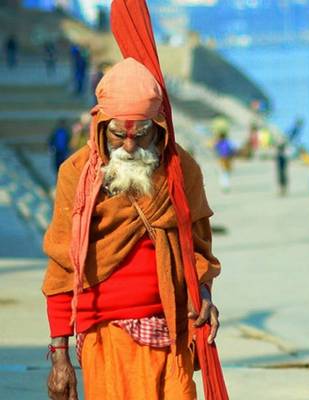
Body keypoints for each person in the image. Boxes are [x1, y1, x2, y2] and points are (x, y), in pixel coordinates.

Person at [43, 1, 228, 399]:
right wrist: (59, 356)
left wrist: (207, 298)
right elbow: (61, 265)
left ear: (158, 128)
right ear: (99, 127)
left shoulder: (181, 171)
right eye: (118, 135)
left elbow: (197, 251)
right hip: (103, 335)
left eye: (141, 134)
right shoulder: (76, 174)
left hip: (171, 330)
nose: (130, 145)